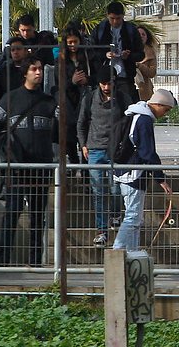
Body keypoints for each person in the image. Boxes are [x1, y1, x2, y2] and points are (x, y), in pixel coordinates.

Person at [0, 55, 58, 266]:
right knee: (12, 213)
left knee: (38, 217)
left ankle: (36, 262)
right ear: (25, 73)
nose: (38, 72)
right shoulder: (10, 99)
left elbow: (65, 128)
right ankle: (3, 261)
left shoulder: (49, 102)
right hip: (16, 169)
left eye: (39, 69)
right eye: (34, 69)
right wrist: (1, 157)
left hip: (41, 168)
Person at [112, 89, 175, 251]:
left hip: (122, 171)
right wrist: (160, 178)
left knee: (134, 217)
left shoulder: (133, 114)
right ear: (158, 104)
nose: (165, 114)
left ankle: (131, 253)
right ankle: (117, 251)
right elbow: (148, 152)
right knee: (133, 217)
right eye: (166, 109)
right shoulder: (144, 120)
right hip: (134, 174)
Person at [77, 65, 132, 248]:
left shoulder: (123, 99)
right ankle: (101, 231)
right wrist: (83, 144)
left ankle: (115, 214)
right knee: (98, 192)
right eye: (103, 84)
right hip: (95, 149)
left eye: (109, 83)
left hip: (116, 150)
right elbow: (82, 123)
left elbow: (129, 123)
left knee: (116, 188)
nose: (106, 87)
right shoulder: (90, 98)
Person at [54, 26, 94, 166]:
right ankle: (73, 163)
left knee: (85, 135)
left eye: (75, 41)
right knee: (70, 136)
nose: (72, 45)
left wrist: (87, 80)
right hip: (69, 103)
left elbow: (96, 77)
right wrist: (72, 81)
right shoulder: (60, 60)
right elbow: (58, 83)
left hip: (85, 99)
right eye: (69, 42)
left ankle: (85, 173)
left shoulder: (88, 56)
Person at [90, 1, 144, 103]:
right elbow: (91, 52)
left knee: (125, 106)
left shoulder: (131, 30)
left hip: (124, 78)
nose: (115, 22)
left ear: (123, 16)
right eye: (112, 19)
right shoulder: (99, 29)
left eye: (118, 18)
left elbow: (141, 54)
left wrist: (128, 56)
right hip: (104, 78)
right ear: (107, 16)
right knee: (103, 105)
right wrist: (105, 55)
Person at [135, 26, 157, 101]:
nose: (141, 36)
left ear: (147, 38)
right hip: (127, 89)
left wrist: (139, 65)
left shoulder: (150, 53)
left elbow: (152, 73)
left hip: (144, 92)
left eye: (143, 34)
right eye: (138, 34)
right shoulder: (126, 50)